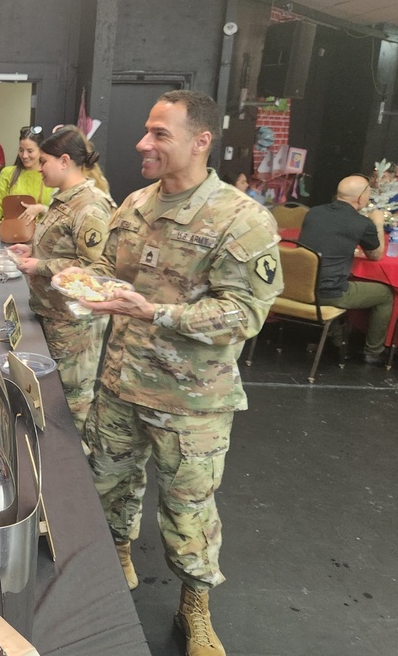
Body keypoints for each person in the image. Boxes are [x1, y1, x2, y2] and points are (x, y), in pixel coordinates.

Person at [77, 91, 283, 656]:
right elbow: (106, 268)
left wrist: (158, 312)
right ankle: (119, 552)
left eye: (159, 134)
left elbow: (245, 313)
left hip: (190, 404)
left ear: (200, 141)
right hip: (119, 384)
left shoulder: (240, 220)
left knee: (188, 510)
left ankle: (196, 605)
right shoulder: (135, 204)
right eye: (147, 131)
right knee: (109, 483)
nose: (143, 143)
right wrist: (87, 284)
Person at [8, 126, 115, 432]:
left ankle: (73, 469)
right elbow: (63, 247)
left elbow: (96, 269)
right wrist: (32, 249)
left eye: (44, 161)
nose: (38, 168)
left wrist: (39, 265)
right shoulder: (64, 200)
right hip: (54, 315)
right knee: (53, 398)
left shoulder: (90, 205)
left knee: (71, 403)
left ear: (65, 161)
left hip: (74, 325)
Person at [298, 174, 393, 365]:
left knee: (335, 278)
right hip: (328, 292)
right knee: (385, 294)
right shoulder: (361, 223)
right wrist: (378, 223)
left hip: (299, 287)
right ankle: (372, 352)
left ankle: (336, 339)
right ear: (361, 198)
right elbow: (376, 255)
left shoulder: (313, 212)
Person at [0, 126, 54, 236]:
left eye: (30, 151)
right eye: (21, 150)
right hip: (11, 238)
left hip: (42, 239)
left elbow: (62, 213)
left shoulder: (50, 175)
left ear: (41, 151)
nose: (24, 156)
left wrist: (41, 208)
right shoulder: (8, 174)